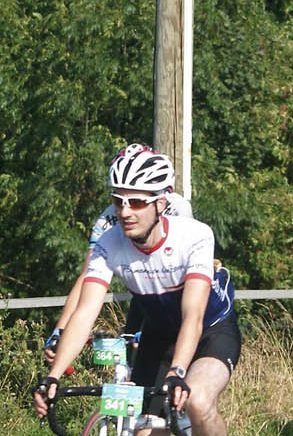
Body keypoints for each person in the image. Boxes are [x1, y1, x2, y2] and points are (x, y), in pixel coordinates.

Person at [33, 146, 239, 436]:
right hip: (158, 336)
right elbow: (86, 309)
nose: (125, 210)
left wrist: (178, 371)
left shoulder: (193, 236)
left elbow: (194, 314)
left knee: (196, 401)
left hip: (211, 330)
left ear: (161, 203)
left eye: (138, 201)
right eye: (118, 200)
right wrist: (55, 374)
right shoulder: (111, 242)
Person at [43, 143, 193, 363]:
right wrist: (60, 330)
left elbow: (184, 272)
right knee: (130, 367)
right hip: (142, 295)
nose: (125, 208)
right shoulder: (107, 219)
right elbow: (87, 277)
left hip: (173, 295)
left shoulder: (177, 207)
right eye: (120, 195)